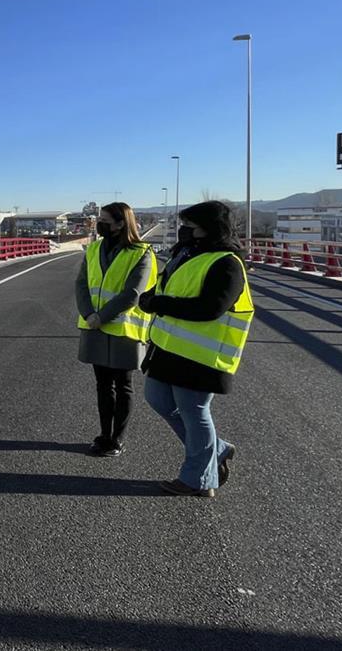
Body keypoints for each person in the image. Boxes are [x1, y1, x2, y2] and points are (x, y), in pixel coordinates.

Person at [138, 201, 253, 497]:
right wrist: (152, 297)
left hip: (202, 356)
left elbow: (211, 308)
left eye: (190, 225)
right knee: (158, 399)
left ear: (209, 227)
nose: (183, 230)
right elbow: (173, 288)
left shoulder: (227, 263)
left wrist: (160, 305)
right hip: (169, 349)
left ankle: (197, 480)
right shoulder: (188, 254)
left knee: (194, 412)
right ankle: (218, 448)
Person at [74, 202, 157, 457]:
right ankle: (103, 434)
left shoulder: (142, 253)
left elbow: (133, 293)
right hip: (94, 326)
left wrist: (102, 316)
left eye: (105, 220)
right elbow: (81, 284)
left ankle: (117, 438)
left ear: (121, 223)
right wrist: (89, 313)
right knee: (102, 385)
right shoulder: (94, 249)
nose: (100, 224)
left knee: (123, 385)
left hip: (123, 330)